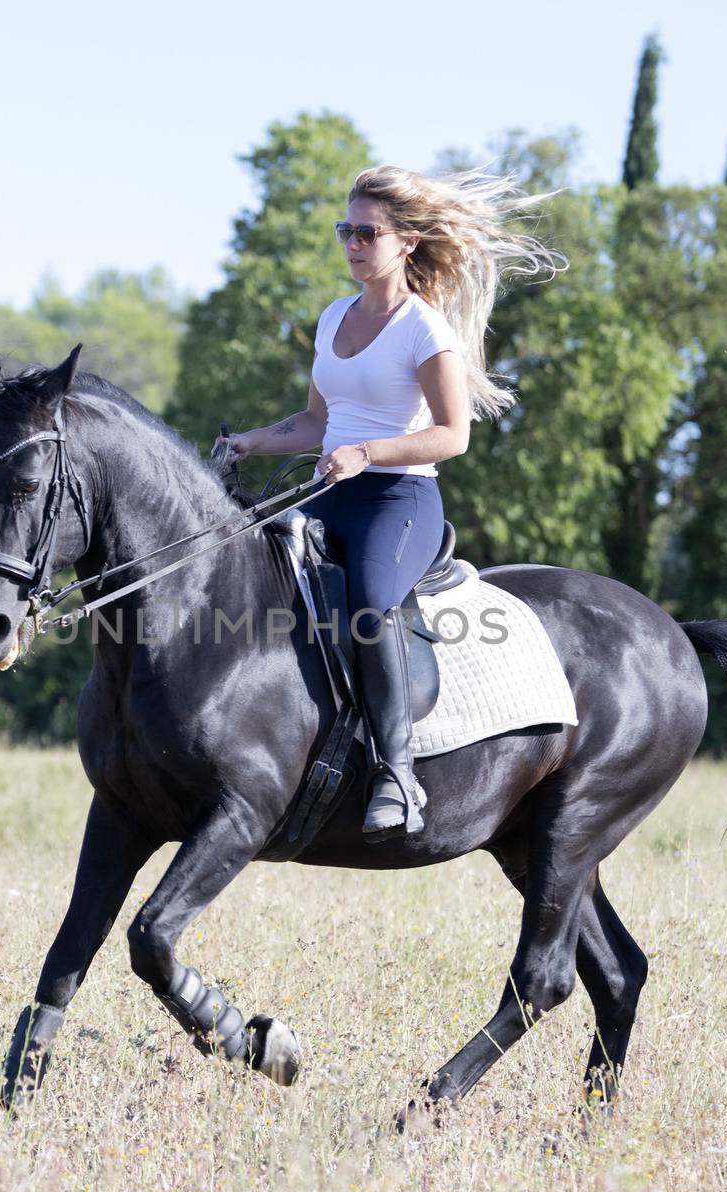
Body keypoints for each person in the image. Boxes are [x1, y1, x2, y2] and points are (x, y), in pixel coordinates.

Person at [215, 164, 566, 841]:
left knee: (372, 608)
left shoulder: (424, 330)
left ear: (405, 242)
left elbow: (453, 434)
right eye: (345, 230)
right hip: (329, 490)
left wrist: (369, 452)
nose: (352, 243)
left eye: (366, 232)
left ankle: (398, 774)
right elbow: (319, 421)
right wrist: (250, 442)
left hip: (399, 499)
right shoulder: (332, 317)